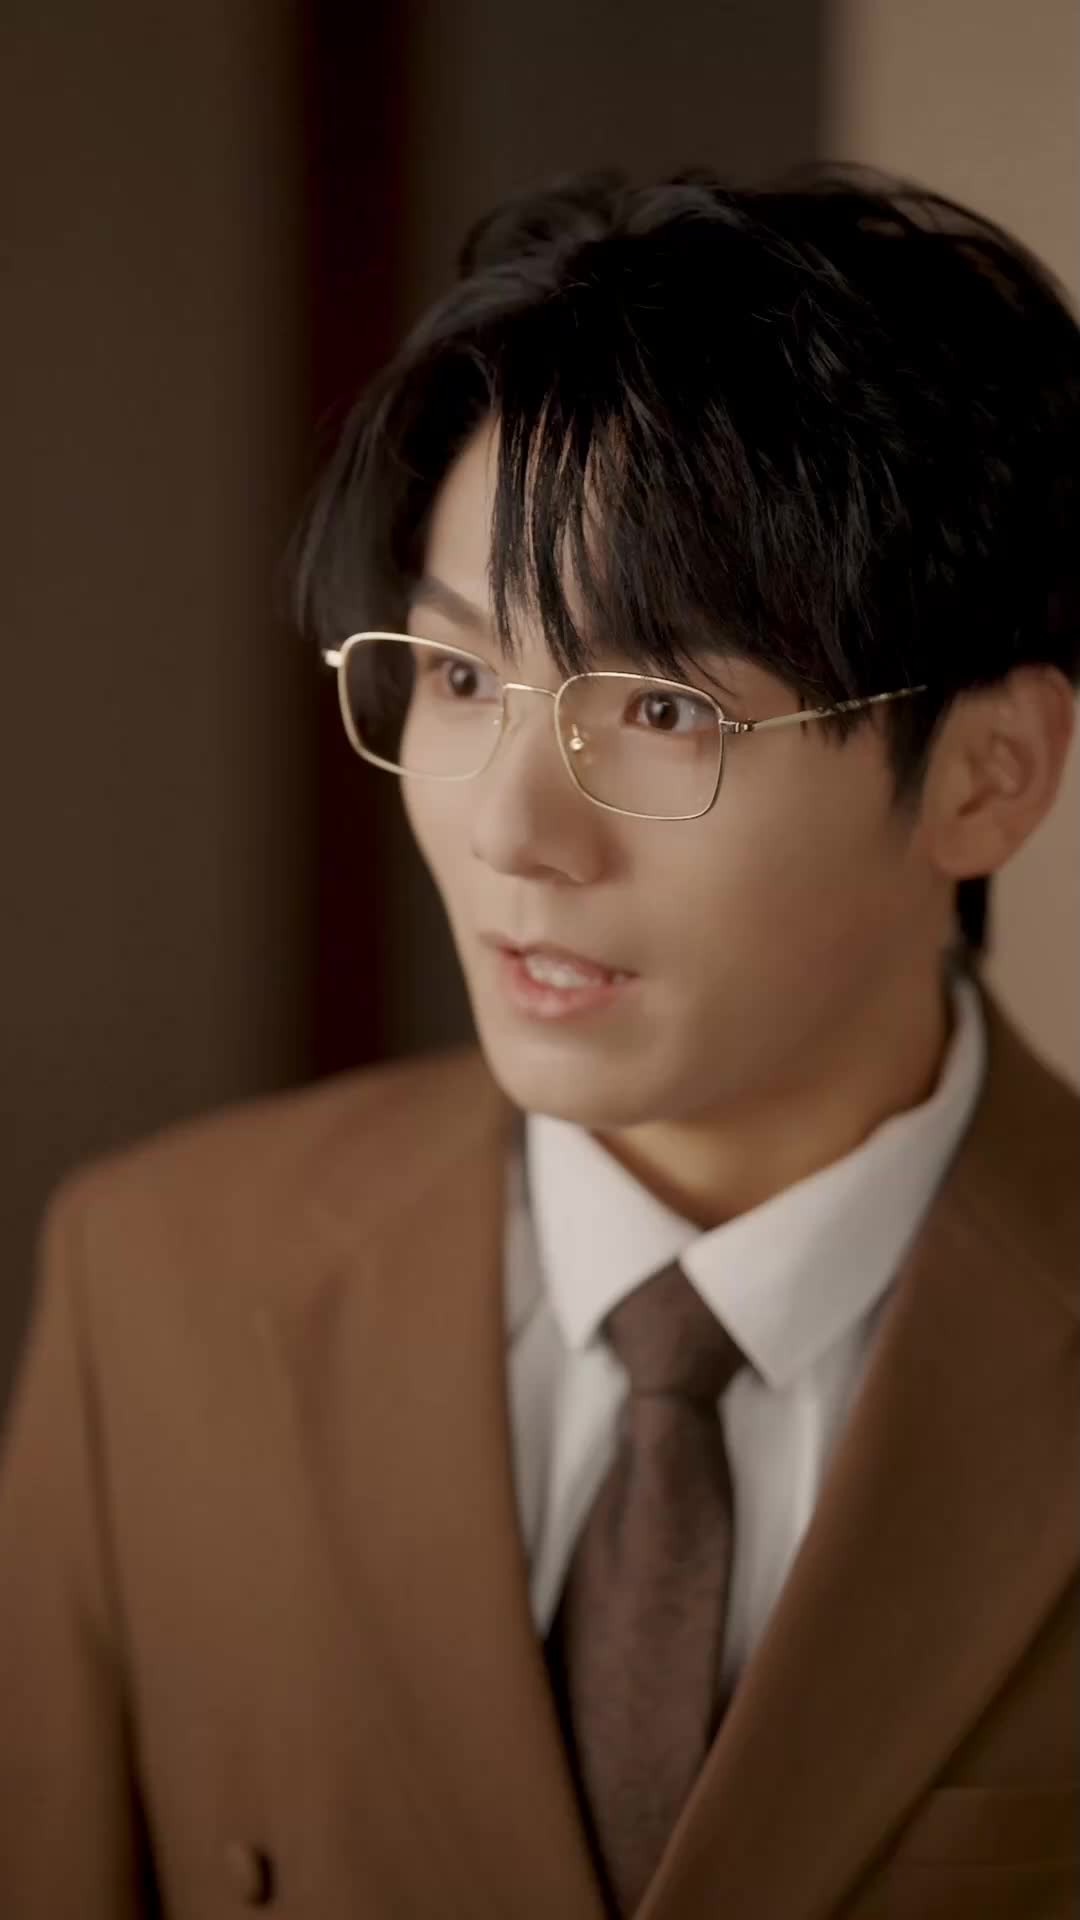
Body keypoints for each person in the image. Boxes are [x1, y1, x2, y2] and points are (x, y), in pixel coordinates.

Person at [2, 166, 1078, 1920]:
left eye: (659, 707)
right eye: (459, 679)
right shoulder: (158, 1286)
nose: (511, 830)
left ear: (989, 774)